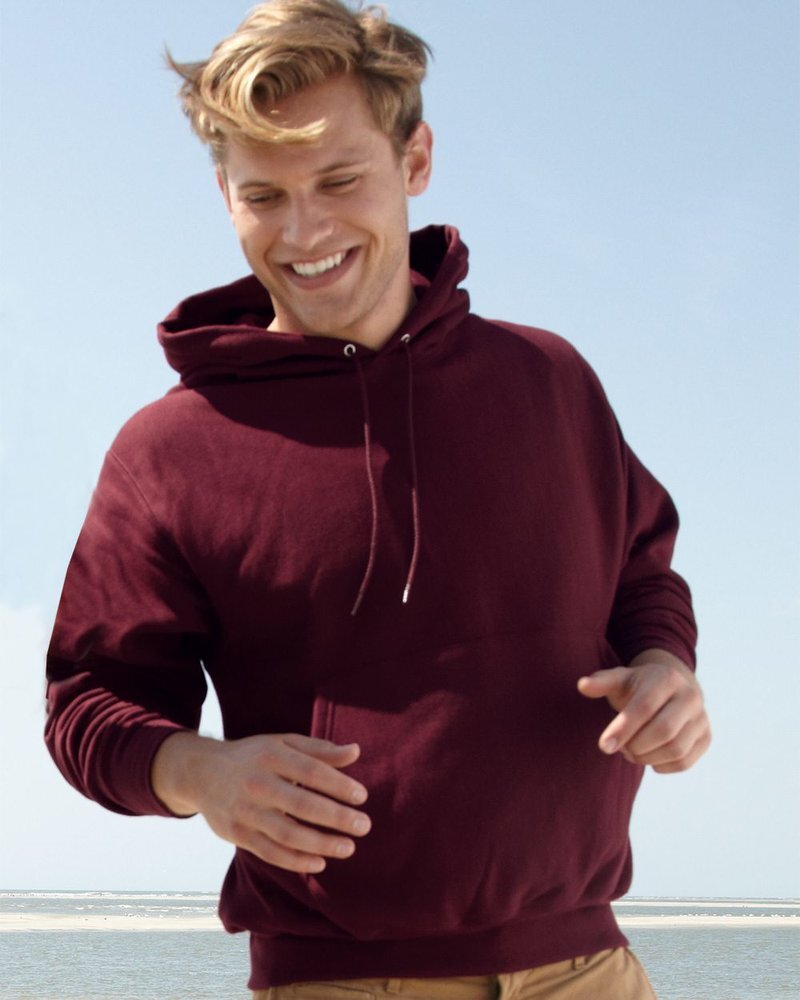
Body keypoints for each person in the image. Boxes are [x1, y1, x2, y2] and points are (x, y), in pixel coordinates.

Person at [45, 1, 711, 997]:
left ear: (415, 159)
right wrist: (200, 773)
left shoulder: (548, 379)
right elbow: (88, 701)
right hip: (343, 982)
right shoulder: (171, 450)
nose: (304, 230)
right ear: (224, 194)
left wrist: (663, 669)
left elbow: (640, 573)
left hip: (592, 969)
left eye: (339, 179)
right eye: (263, 194)